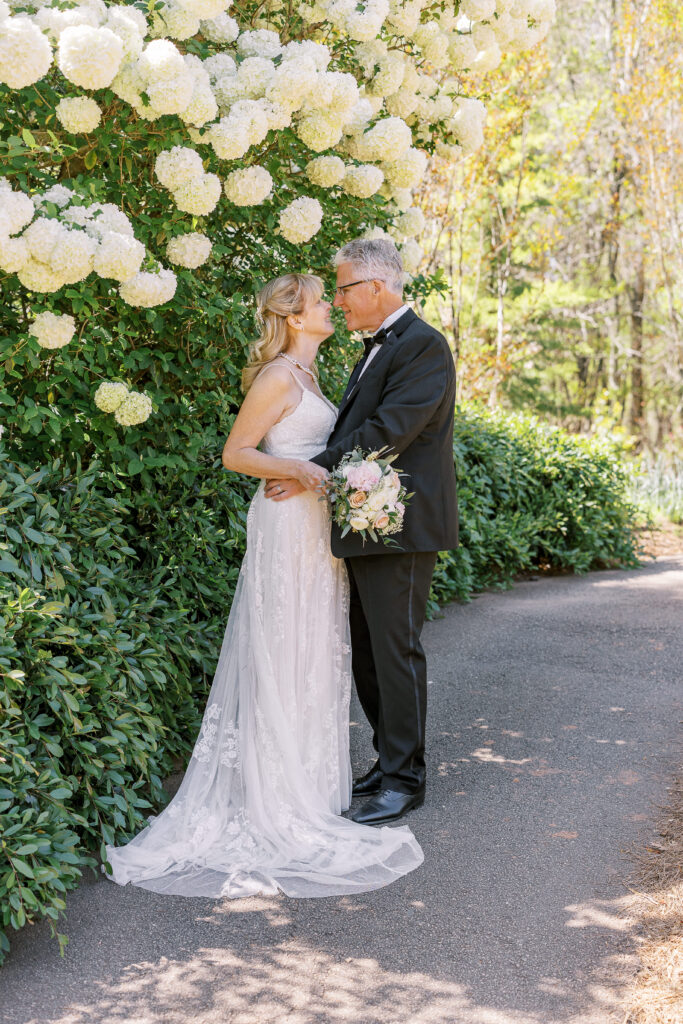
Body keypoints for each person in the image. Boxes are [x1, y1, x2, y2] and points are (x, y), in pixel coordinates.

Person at [104, 272, 423, 898]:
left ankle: (306, 785)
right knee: (282, 648)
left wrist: (318, 478)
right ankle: (274, 795)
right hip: (285, 527)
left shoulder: (310, 377)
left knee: (313, 650)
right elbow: (236, 453)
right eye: (318, 300)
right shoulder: (277, 375)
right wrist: (300, 470)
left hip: (314, 529)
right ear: (294, 317)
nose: (332, 305)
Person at [265, 240, 458, 826]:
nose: (340, 300)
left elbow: (387, 430)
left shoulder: (423, 346)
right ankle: (387, 760)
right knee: (370, 654)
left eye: (344, 288)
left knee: (395, 651)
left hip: (401, 527)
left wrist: (310, 469)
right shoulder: (378, 347)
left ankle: (407, 780)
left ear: (377, 287)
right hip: (366, 525)